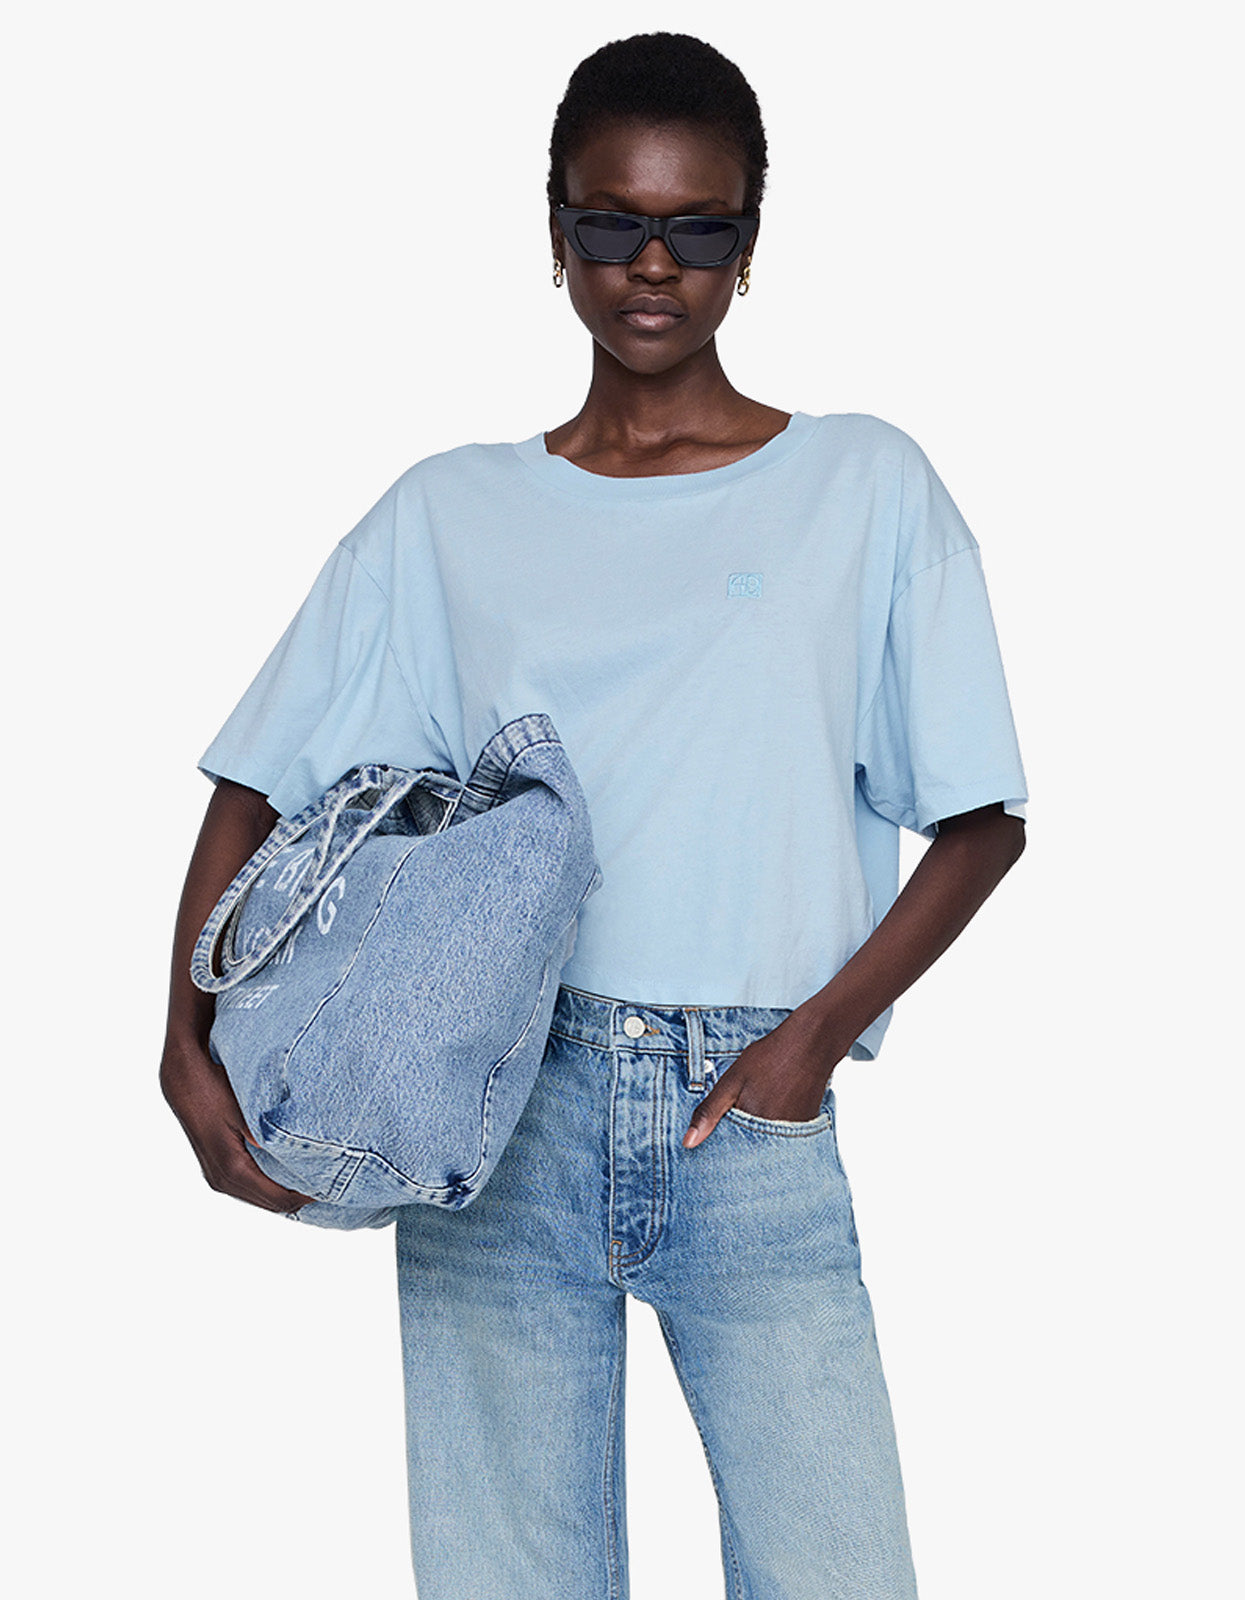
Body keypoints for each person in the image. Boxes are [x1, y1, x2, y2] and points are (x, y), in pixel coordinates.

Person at [161, 30, 1028, 1600]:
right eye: (609, 219)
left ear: (748, 243)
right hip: (493, 1098)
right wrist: (182, 1042)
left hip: (749, 1104)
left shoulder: (864, 486)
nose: (650, 262)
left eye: (697, 226)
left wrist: (807, 1046)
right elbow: (261, 784)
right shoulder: (447, 513)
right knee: (506, 1576)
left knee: (837, 1570)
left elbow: (981, 822)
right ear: (552, 231)